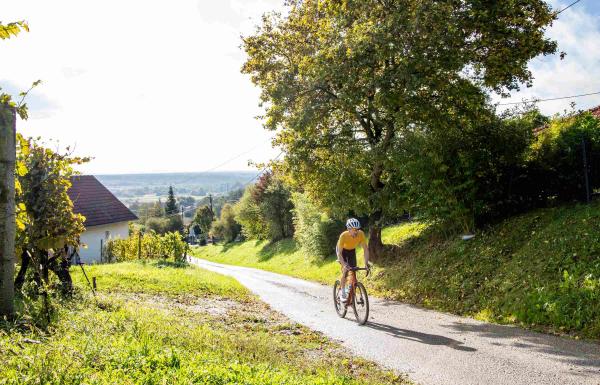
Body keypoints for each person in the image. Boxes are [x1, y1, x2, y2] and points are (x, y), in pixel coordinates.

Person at [336, 218, 370, 302]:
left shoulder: (361, 234)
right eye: (354, 230)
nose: (356, 232)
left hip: (351, 251)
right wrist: (344, 264)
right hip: (342, 251)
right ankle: (342, 292)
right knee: (346, 270)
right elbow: (339, 253)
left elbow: (365, 249)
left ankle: (350, 288)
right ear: (349, 229)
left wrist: (366, 263)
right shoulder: (343, 235)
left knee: (354, 270)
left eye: (357, 229)